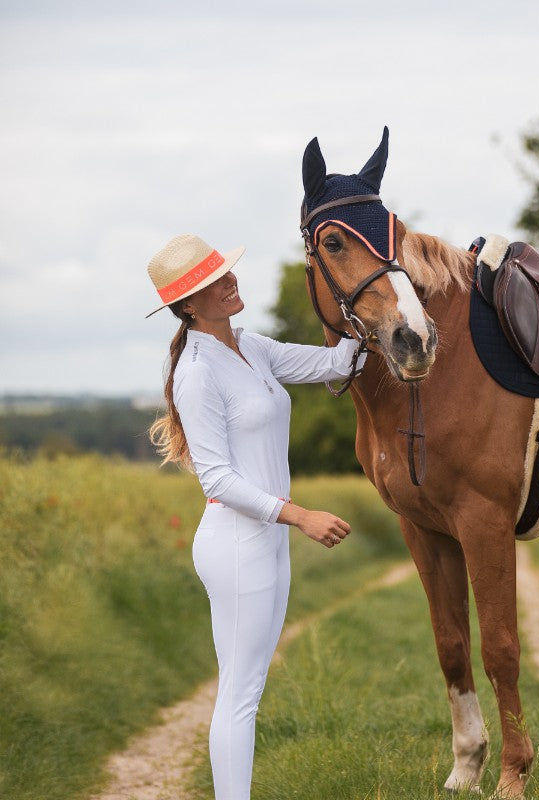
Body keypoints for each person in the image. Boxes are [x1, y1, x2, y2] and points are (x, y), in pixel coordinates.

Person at [146, 233, 363, 800]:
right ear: (189, 306)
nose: (230, 280)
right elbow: (217, 479)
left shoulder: (250, 346)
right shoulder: (197, 372)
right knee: (239, 695)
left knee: (250, 689)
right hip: (236, 544)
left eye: (226, 271)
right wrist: (300, 516)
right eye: (214, 281)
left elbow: (336, 363)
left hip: (266, 541)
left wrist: (356, 299)